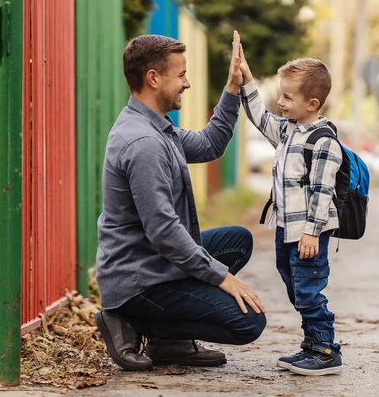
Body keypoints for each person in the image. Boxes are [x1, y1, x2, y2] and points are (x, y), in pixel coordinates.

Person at [94, 32, 266, 372]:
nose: (187, 83)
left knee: (237, 241)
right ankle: (133, 320)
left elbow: (209, 145)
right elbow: (164, 232)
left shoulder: (155, 128)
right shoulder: (143, 143)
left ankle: (168, 343)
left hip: (153, 261)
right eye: (182, 75)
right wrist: (222, 278)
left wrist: (232, 87)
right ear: (153, 79)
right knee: (249, 323)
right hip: (139, 278)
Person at [236, 38, 344, 376]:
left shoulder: (322, 141)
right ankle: (311, 344)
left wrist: (312, 232)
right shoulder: (289, 131)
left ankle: (326, 351)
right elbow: (258, 116)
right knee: (295, 286)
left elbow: (323, 190)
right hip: (287, 228)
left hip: (309, 232)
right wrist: (247, 78)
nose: (280, 102)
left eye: (287, 97)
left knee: (309, 289)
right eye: (280, 95)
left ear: (312, 103)